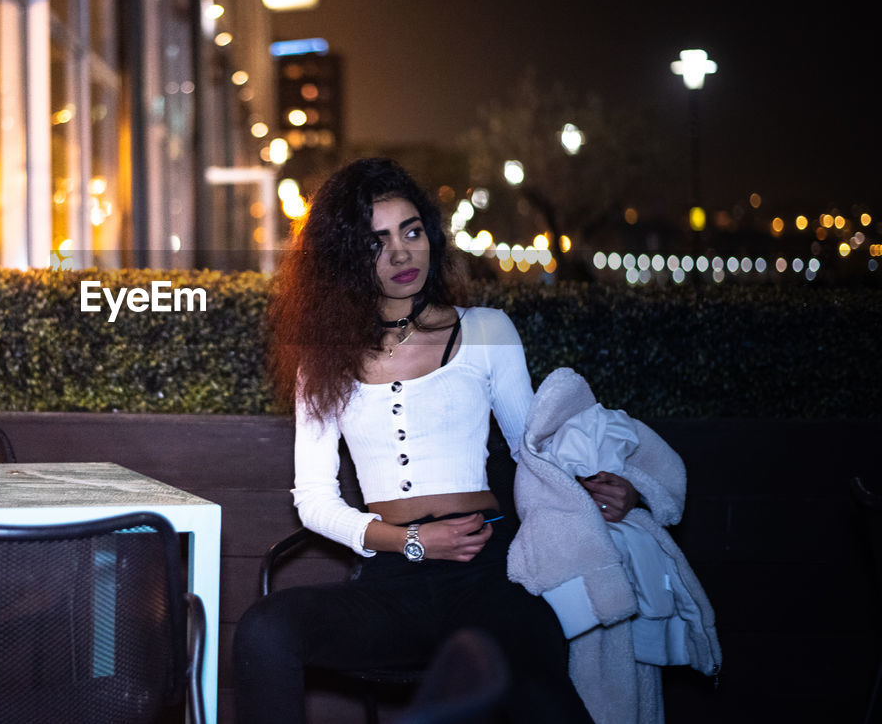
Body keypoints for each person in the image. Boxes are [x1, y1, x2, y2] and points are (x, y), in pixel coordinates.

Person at [234, 158, 634, 723]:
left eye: (411, 231)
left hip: (487, 572)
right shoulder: (324, 359)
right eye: (376, 242)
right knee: (265, 628)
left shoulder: (486, 330)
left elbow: (530, 451)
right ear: (347, 259)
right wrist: (413, 543)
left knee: (539, 683)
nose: (400, 253)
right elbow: (315, 500)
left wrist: (600, 489)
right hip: (392, 583)